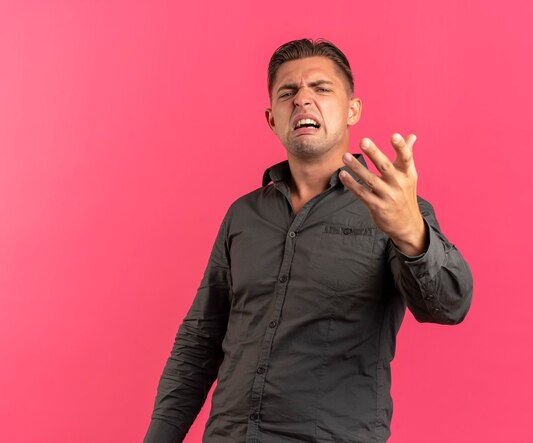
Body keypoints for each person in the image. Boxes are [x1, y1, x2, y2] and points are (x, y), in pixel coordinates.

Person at [144, 38, 473, 443]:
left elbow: (449, 305)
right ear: (271, 118)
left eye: (321, 88)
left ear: (353, 110)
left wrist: (410, 233)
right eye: (288, 92)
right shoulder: (243, 215)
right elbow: (201, 339)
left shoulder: (396, 209)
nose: (302, 100)